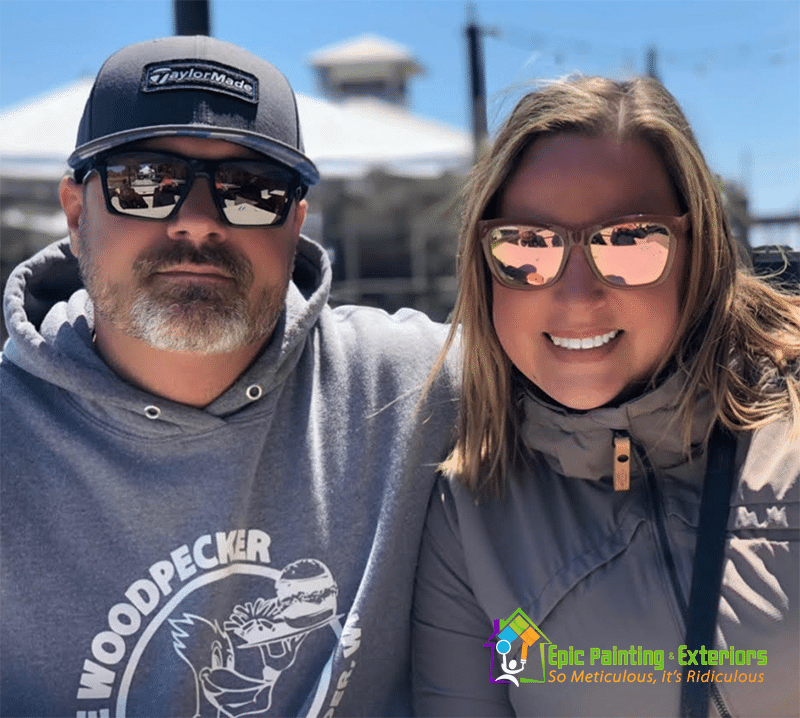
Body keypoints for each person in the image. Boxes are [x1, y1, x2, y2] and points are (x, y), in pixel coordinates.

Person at [0, 36, 457, 717]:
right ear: (75, 213)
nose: (197, 222)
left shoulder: (417, 385)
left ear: (296, 222)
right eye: (144, 183)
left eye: (253, 191)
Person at [412, 76, 800, 717]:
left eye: (628, 241)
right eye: (526, 245)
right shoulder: (470, 514)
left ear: (696, 251)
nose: (575, 296)